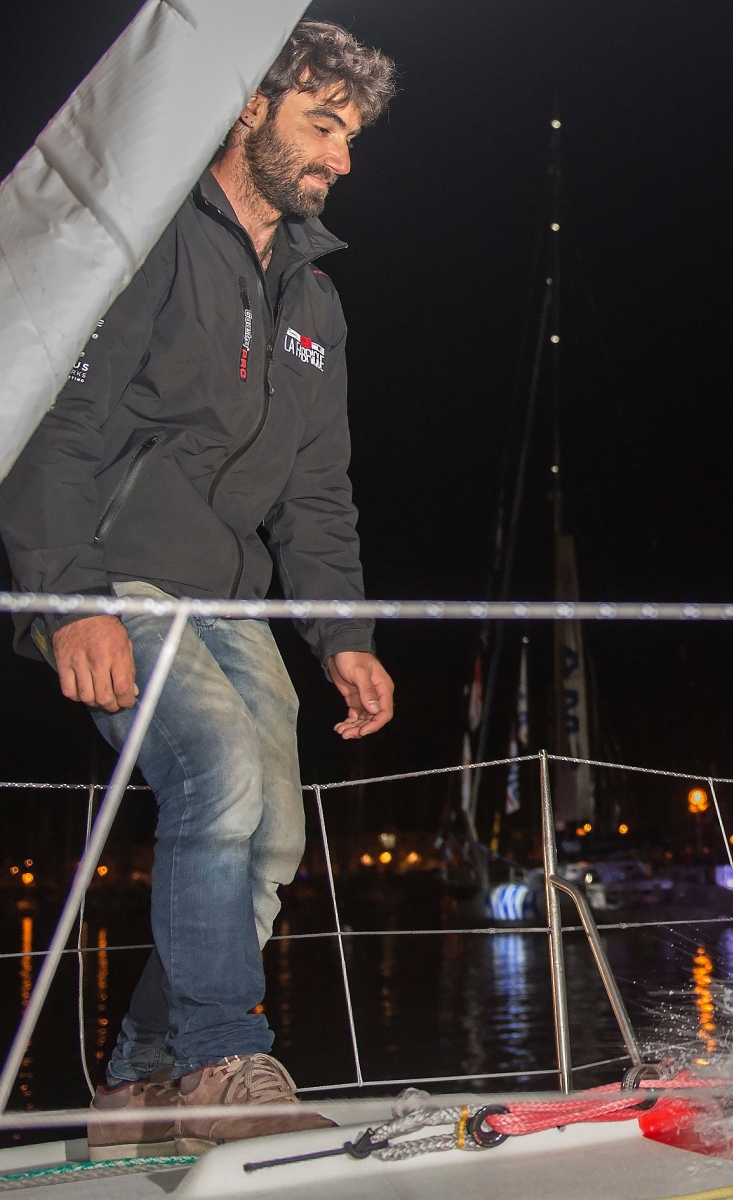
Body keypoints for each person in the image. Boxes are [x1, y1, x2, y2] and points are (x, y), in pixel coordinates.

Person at [0, 21, 397, 1155]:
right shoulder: (146, 247)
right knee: (217, 774)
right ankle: (227, 1058)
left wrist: (345, 635)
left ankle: (136, 1084)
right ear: (245, 111)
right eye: (323, 124)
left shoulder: (316, 304)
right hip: (111, 574)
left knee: (271, 835)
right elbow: (54, 424)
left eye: (353, 134)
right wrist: (67, 594)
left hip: (230, 600)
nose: (343, 157)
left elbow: (318, 494)